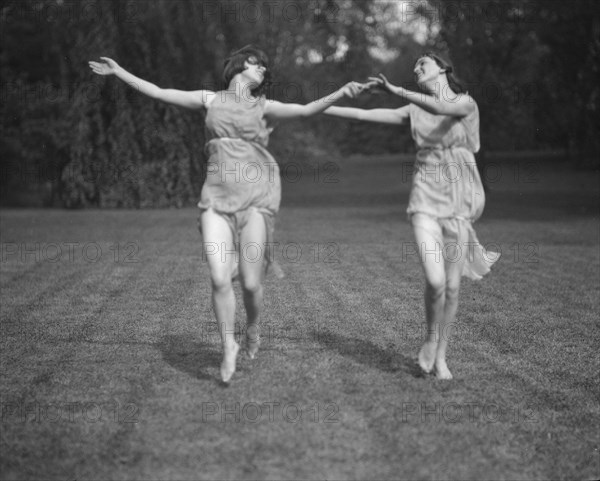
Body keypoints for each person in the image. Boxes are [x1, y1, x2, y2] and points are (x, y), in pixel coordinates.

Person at [89, 46, 363, 383]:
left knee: (249, 283)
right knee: (219, 278)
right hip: (216, 198)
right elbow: (161, 92)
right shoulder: (210, 98)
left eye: (265, 67)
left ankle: (252, 328)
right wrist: (120, 72)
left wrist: (340, 92)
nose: (263, 69)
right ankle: (227, 345)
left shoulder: (265, 107)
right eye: (258, 63)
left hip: (256, 198)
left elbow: (306, 110)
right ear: (242, 64)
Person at [324, 52, 500, 379]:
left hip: (459, 200)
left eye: (423, 63)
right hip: (425, 198)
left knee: (451, 287)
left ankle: (440, 355)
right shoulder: (415, 108)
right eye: (415, 66)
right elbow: (366, 116)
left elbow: (442, 108)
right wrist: (322, 105)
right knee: (435, 281)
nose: (416, 68)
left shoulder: (466, 103)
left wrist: (395, 90)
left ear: (444, 68)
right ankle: (431, 339)